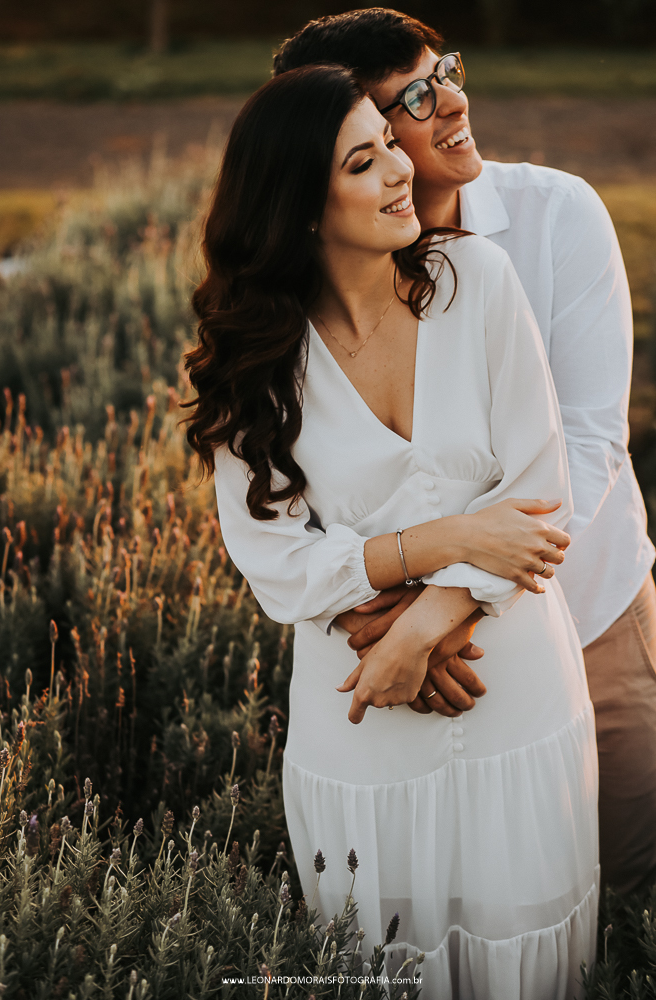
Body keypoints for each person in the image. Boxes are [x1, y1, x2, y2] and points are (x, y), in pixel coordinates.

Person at [184, 64, 598, 999]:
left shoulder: (477, 282)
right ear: (297, 207)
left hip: (513, 693)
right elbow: (278, 568)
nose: (400, 172)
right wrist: (449, 539)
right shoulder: (258, 361)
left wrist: (421, 624)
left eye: (387, 145)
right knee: (376, 964)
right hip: (361, 718)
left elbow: (540, 502)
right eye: (363, 163)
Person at [273, 7, 656, 896]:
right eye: (413, 97)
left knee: (626, 887)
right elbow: (300, 504)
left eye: (443, 70)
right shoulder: (305, 292)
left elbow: (587, 447)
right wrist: (386, 623)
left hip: (586, 612)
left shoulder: (555, 216)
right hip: (386, 650)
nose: (452, 102)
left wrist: (438, 614)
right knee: (439, 904)